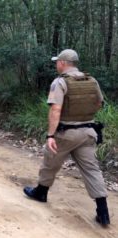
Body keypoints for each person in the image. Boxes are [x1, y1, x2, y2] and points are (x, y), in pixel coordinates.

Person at [23, 49, 110, 226]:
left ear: (63, 63)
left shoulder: (60, 82)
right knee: (92, 169)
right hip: (88, 132)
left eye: (57, 62)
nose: (56, 64)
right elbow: (99, 103)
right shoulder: (92, 81)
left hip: (66, 133)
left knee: (51, 161)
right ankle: (103, 212)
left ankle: (41, 192)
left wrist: (50, 135)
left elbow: (55, 109)